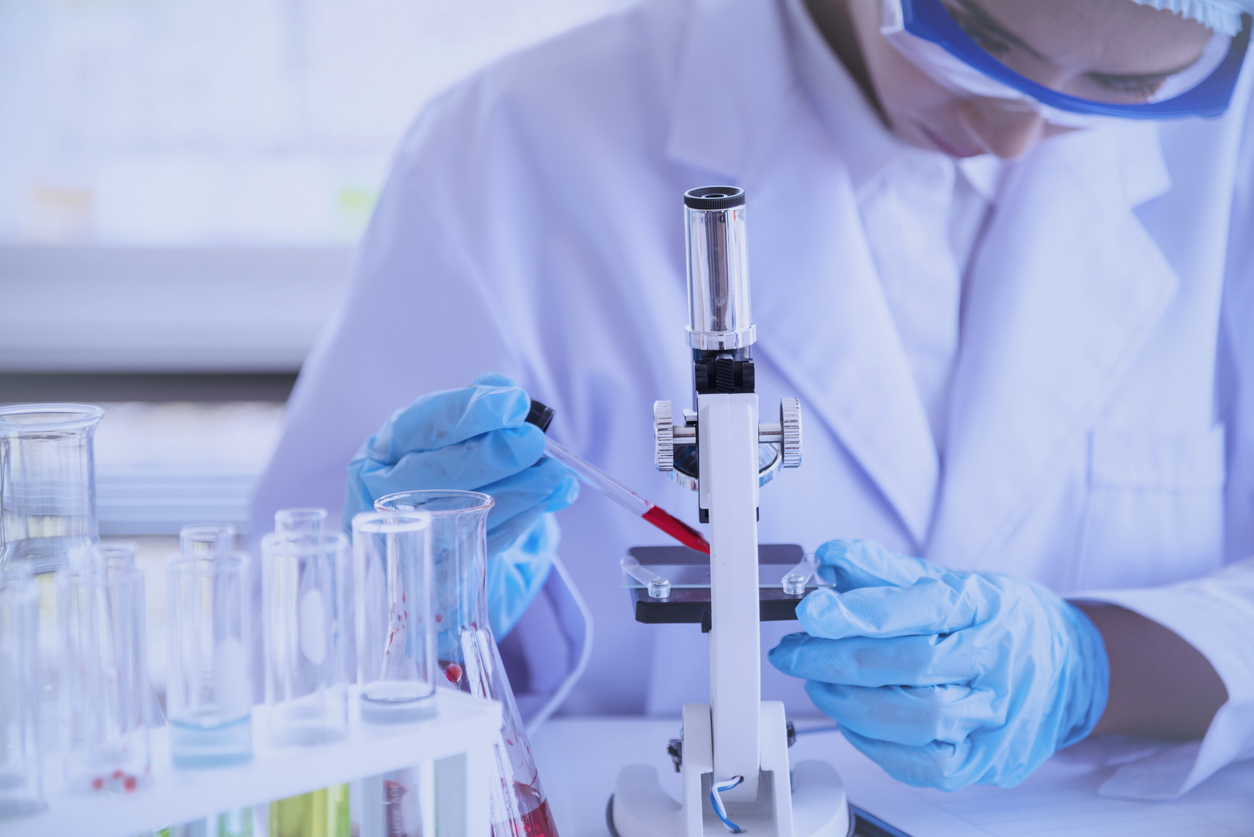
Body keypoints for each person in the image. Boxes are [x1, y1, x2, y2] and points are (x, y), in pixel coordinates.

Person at [253, 0, 1254, 800]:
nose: (1017, 130)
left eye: (1129, 84)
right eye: (977, 42)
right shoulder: (509, 148)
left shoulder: (1235, 150)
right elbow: (287, 646)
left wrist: (1087, 669)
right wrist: (415, 597)